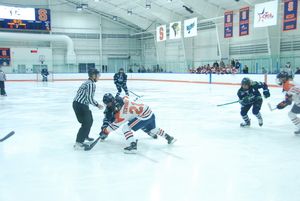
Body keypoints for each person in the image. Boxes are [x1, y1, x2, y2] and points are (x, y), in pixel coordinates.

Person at [99, 93, 177, 154]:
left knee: (126, 128)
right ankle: (169, 138)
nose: (116, 109)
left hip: (143, 116)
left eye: (117, 108)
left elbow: (114, 126)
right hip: (149, 111)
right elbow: (126, 96)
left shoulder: (122, 114)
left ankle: (133, 145)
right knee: (152, 129)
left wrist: (105, 131)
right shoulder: (125, 99)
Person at [73, 68, 103, 150]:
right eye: (97, 75)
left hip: (79, 104)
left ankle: (85, 135)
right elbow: (89, 98)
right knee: (86, 123)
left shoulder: (87, 82)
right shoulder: (91, 84)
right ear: (93, 76)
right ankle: (79, 142)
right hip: (81, 105)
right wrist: (97, 105)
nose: (98, 77)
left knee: (89, 120)